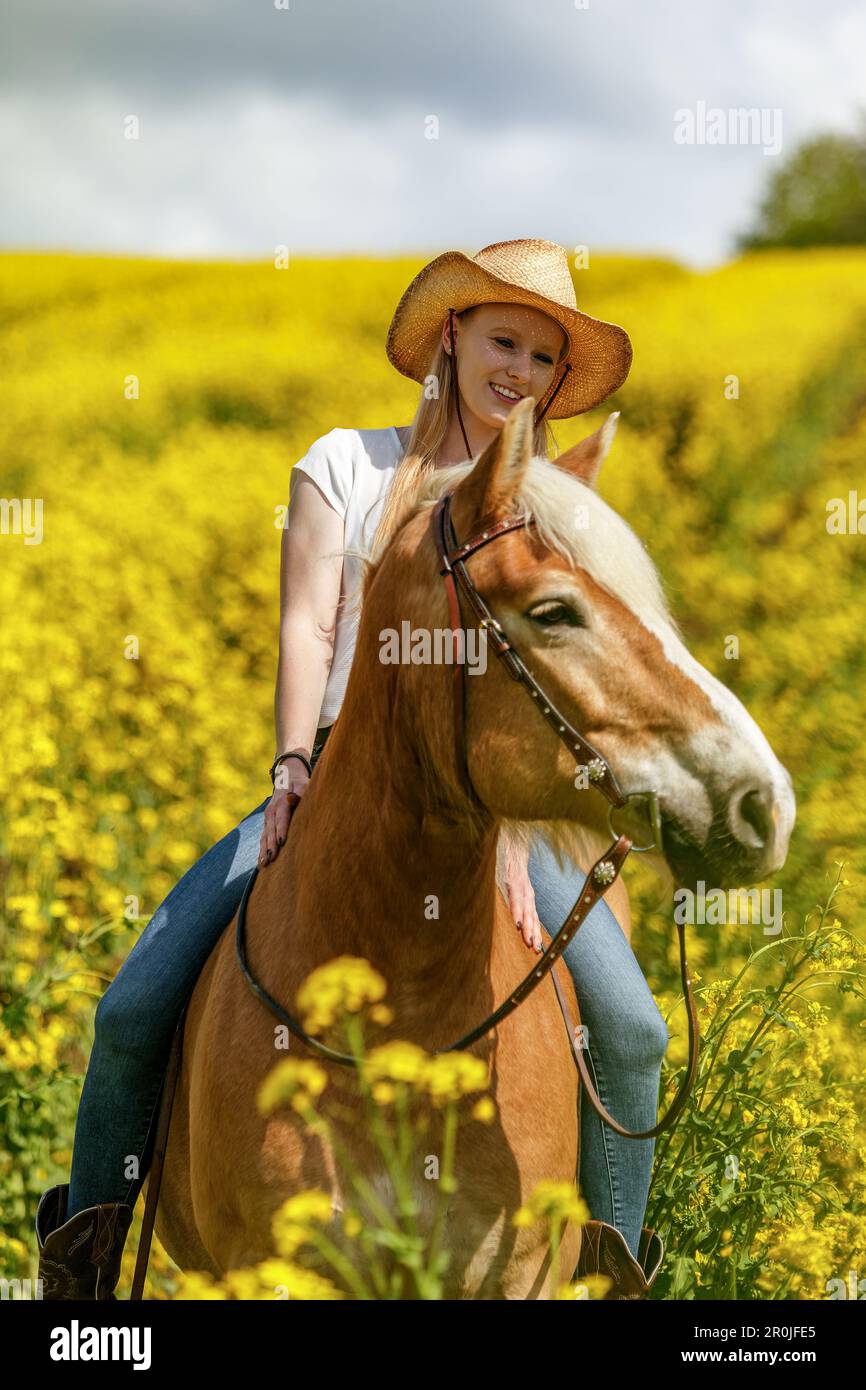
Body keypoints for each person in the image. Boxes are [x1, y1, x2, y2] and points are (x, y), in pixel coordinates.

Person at [35, 239, 669, 1301]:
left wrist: (512, 834)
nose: (517, 369)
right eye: (503, 339)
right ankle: (86, 1280)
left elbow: (541, 682)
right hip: (332, 785)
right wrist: (290, 764)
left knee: (634, 1028)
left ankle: (606, 1273)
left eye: (542, 357)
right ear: (452, 335)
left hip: (489, 815)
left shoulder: (548, 510)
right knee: (135, 1004)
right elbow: (302, 625)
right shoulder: (346, 463)